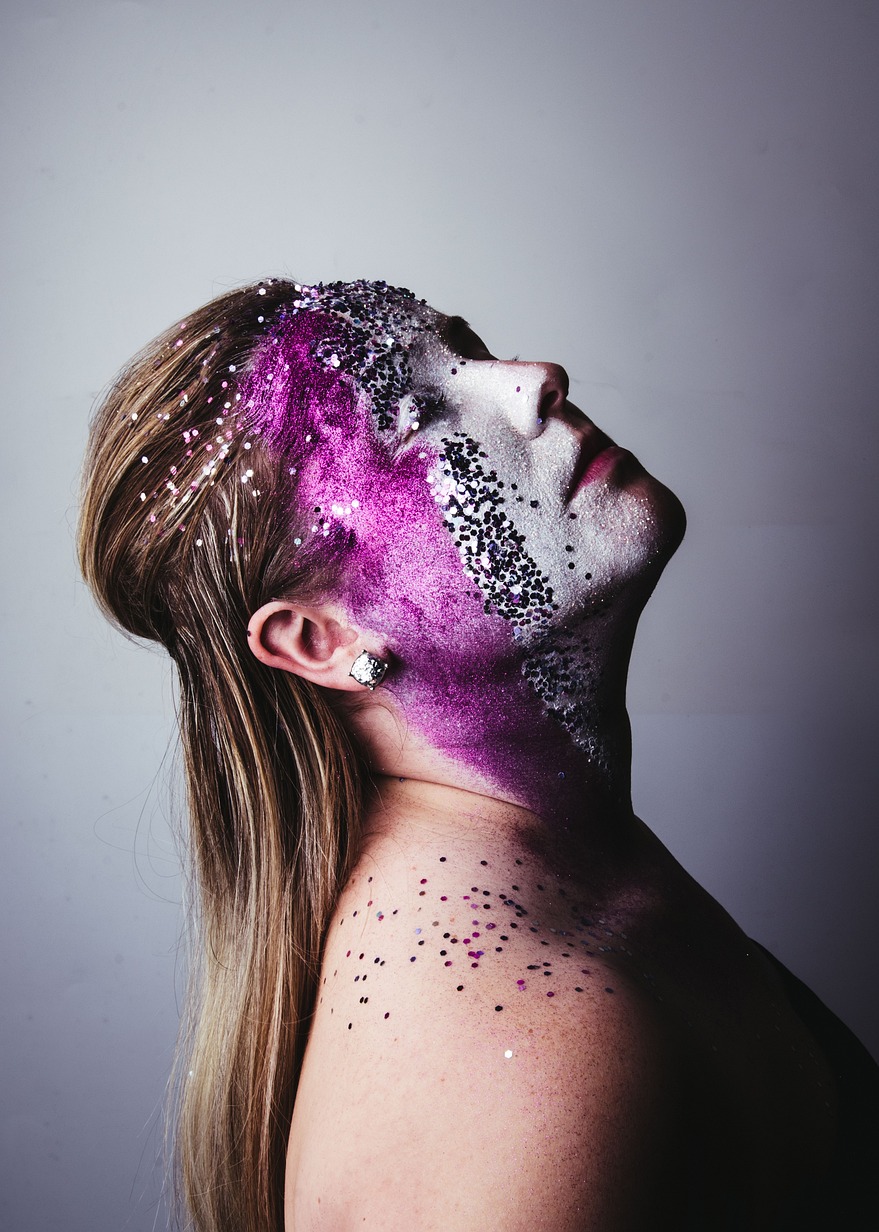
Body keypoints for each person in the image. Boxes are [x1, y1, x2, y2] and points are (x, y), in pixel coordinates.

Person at [79, 278, 878, 1232]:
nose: (535, 379)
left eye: (469, 351)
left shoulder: (562, 874)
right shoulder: (513, 1050)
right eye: (416, 417)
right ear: (319, 641)